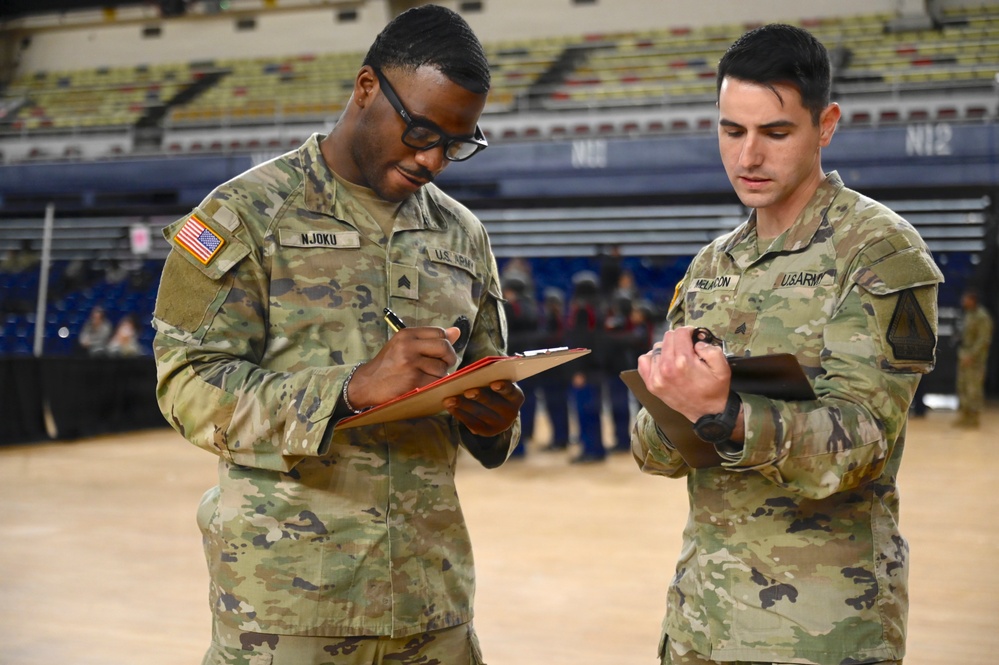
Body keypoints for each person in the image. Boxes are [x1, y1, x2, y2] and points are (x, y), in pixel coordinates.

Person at [151, 6, 523, 664]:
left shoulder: (464, 235)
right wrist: (348, 389)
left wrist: (492, 422)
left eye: (457, 143)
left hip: (431, 607)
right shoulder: (242, 214)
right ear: (365, 87)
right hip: (288, 612)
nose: (433, 158)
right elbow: (186, 384)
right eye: (420, 131)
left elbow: (488, 373)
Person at [631, 24, 942, 665]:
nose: (748, 157)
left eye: (775, 133)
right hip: (702, 621)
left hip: (822, 628)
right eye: (731, 131)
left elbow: (863, 444)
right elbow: (654, 452)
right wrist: (671, 406)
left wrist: (727, 416)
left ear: (825, 125)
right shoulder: (711, 265)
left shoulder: (877, 250)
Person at [953, 289, 993, 428]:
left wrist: (972, 355)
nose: (963, 301)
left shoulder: (982, 317)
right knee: (962, 385)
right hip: (964, 353)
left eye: (966, 299)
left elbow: (984, 339)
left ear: (973, 300)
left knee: (973, 388)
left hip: (975, 358)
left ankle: (974, 418)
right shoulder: (968, 314)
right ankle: (964, 416)